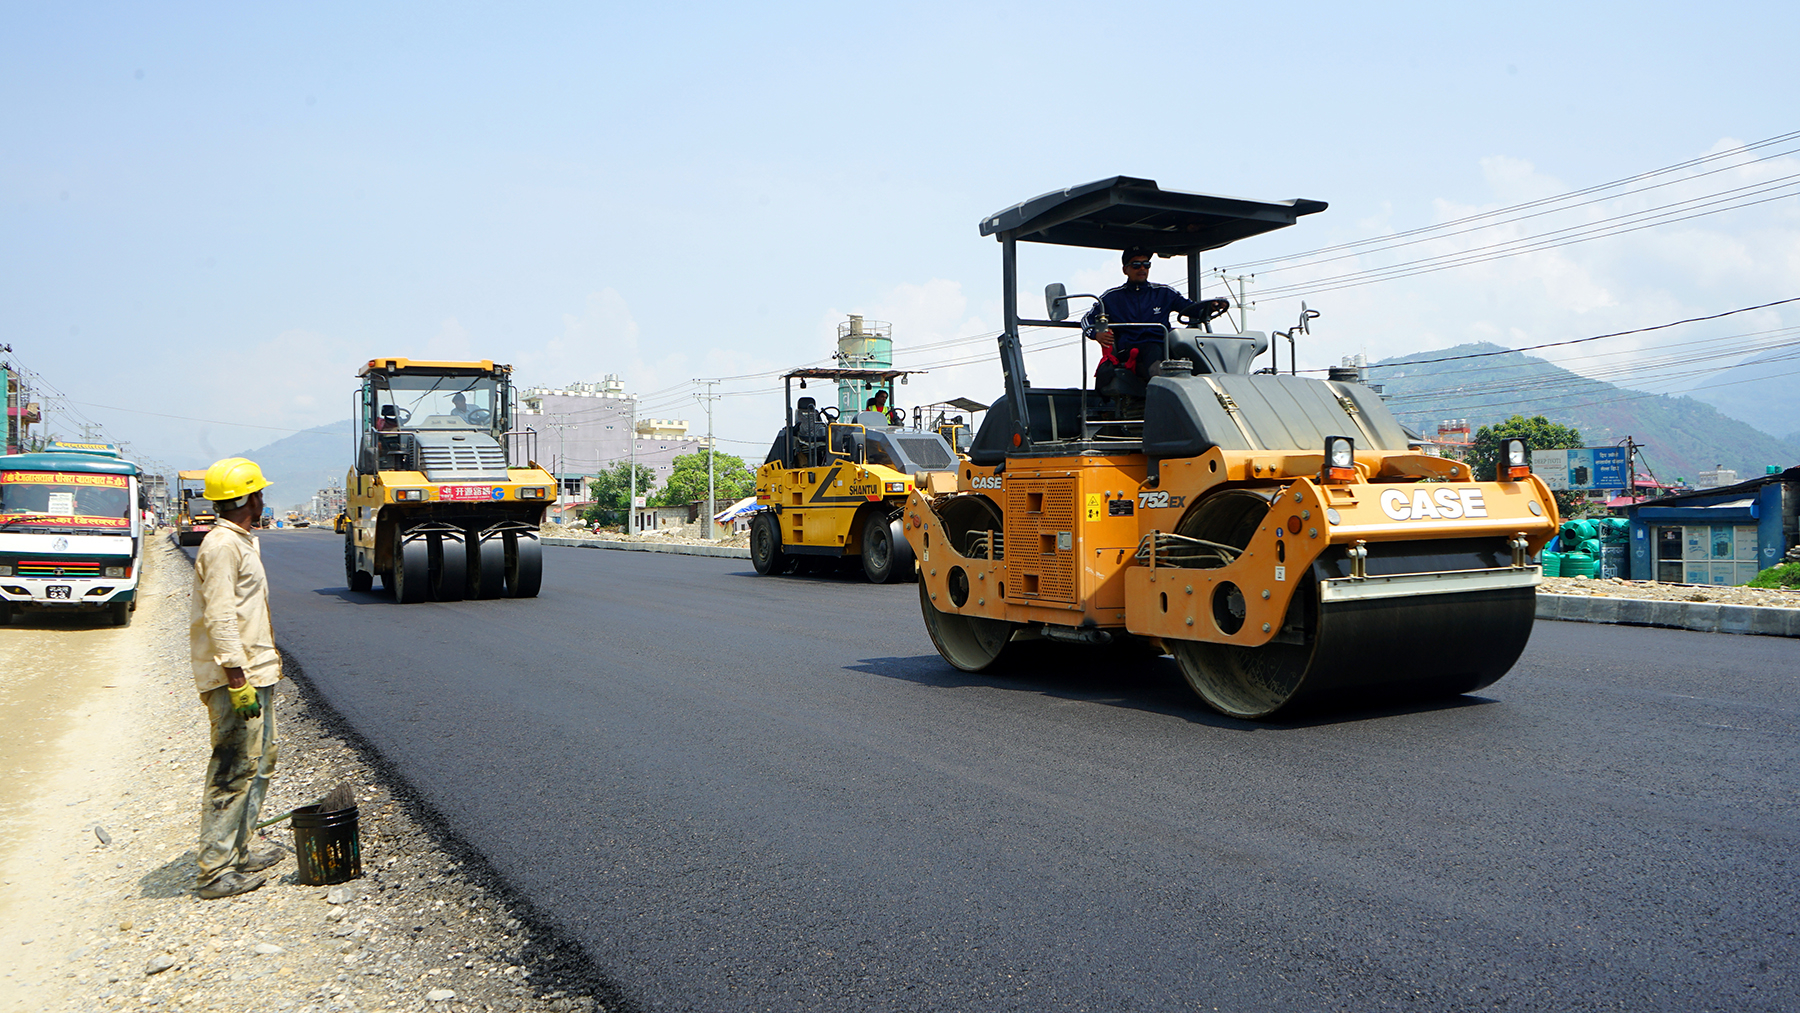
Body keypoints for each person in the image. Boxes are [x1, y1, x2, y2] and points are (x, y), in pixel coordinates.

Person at [189, 456, 283, 900]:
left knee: (262, 760)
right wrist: (235, 677)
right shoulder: (222, 546)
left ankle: (241, 849)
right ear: (247, 499)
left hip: (256, 669)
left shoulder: (241, 540)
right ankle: (215, 870)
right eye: (259, 493)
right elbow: (221, 616)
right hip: (236, 678)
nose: (264, 500)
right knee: (232, 767)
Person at [1082, 247, 1230, 386]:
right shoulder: (1112, 297)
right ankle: (1163, 389)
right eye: (1136, 265)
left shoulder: (1163, 293)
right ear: (1125, 269)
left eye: (1146, 265)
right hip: (1131, 350)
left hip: (1163, 346)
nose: (1142, 269)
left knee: (1189, 348)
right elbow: (1086, 321)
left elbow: (1191, 309)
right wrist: (1096, 334)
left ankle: (1215, 387)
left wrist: (1210, 307)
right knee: (1153, 350)